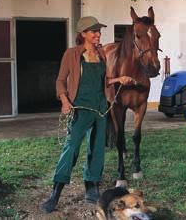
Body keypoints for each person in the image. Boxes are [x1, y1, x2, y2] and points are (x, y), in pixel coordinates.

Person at [41, 16, 135, 213]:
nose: (98, 34)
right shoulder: (72, 54)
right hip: (80, 109)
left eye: (99, 31)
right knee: (71, 148)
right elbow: (60, 81)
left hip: (100, 108)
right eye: (94, 31)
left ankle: (91, 186)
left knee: (97, 148)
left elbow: (104, 81)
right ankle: (55, 193)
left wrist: (119, 79)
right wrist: (65, 102)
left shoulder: (101, 54)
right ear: (83, 33)